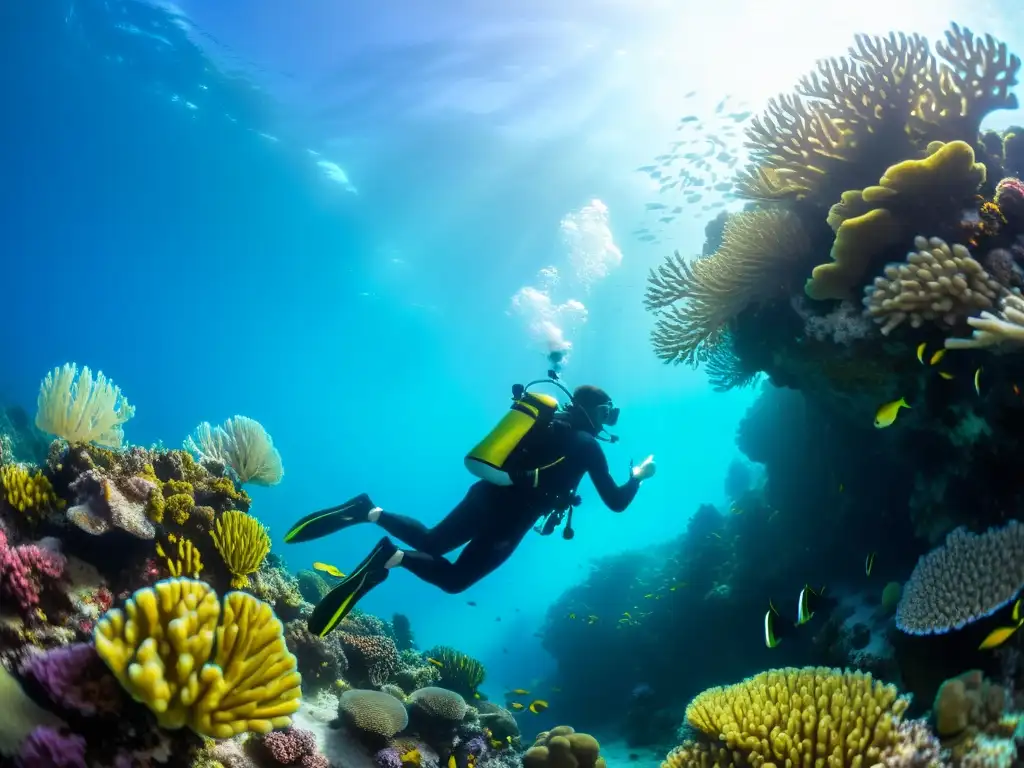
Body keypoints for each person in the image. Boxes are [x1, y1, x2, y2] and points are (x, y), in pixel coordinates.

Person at [284, 383, 656, 637]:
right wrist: (638, 477)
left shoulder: (547, 425)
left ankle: (368, 511)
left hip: (485, 492)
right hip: (511, 519)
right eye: (608, 413)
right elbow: (616, 503)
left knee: (432, 540)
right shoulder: (587, 445)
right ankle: (390, 556)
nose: (608, 421)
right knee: (455, 580)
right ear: (595, 412)